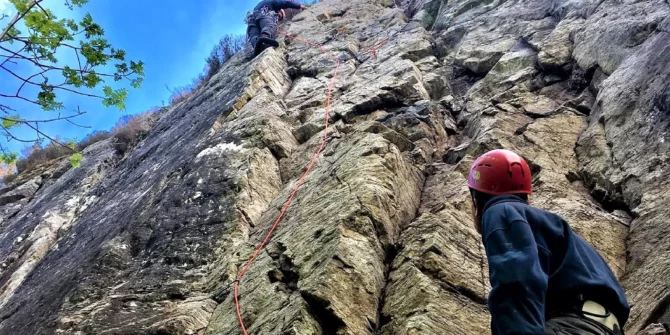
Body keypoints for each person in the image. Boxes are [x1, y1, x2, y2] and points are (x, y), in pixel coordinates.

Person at [466, 149, 630, 335]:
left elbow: (517, 284)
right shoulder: (558, 231)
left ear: (476, 203)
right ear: (527, 197)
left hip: (572, 327)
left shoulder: (500, 212)